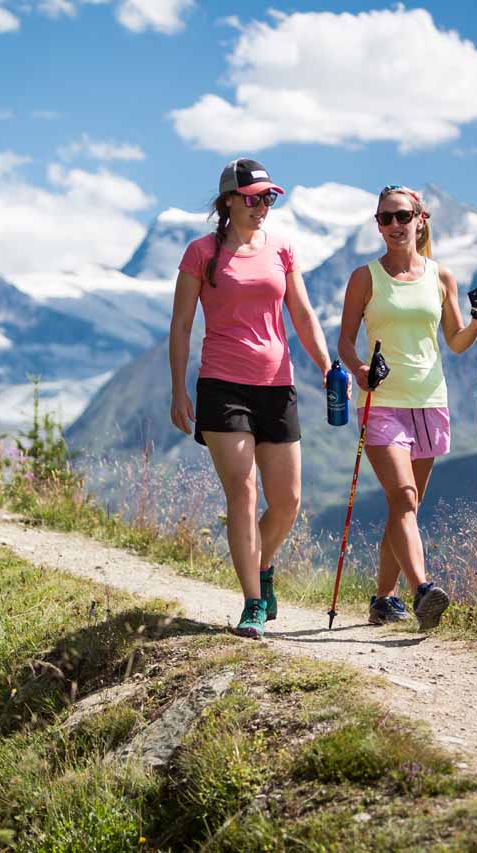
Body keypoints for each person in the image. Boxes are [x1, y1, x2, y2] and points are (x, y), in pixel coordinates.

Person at [169, 158, 335, 640]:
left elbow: (301, 312)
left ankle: (261, 568)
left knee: (287, 501)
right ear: (228, 201)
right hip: (223, 386)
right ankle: (252, 603)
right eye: (253, 198)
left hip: (277, 385)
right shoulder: (201, 253)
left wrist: (327, 367)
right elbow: (181, 325)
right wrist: (178, 387)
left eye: (268, 198)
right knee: (243, 493)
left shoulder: (282, 249)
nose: (262, 206)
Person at [337, 186, 477, 630]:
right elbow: (345, 342)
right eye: (384, 218)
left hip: (430, 403)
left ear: (420, 219)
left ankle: (383, 599)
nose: (393, 226)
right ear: (377, 224)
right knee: (404, 497)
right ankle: (423, 589)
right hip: (382, 403)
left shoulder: (440, 277)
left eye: (402, 217)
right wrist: (359, 368)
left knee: (404, 505)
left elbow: (456, 342)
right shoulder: (365, 278)